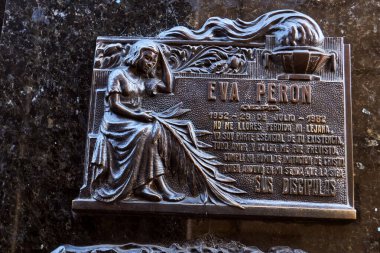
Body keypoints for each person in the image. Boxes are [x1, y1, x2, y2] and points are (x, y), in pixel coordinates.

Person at [90, 39, 185, 202]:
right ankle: (147, 187)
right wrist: (138, 116)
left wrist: (161, 57)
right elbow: (114, 105)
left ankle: (149, 186)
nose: (150, 63)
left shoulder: (144, 79)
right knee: (146, 131)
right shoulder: (118, 74)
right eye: (147, 58)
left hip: (133, 121)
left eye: (154, 61)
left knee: (153, 130)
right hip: (115, 121)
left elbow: (169, 86)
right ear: (136, 55)